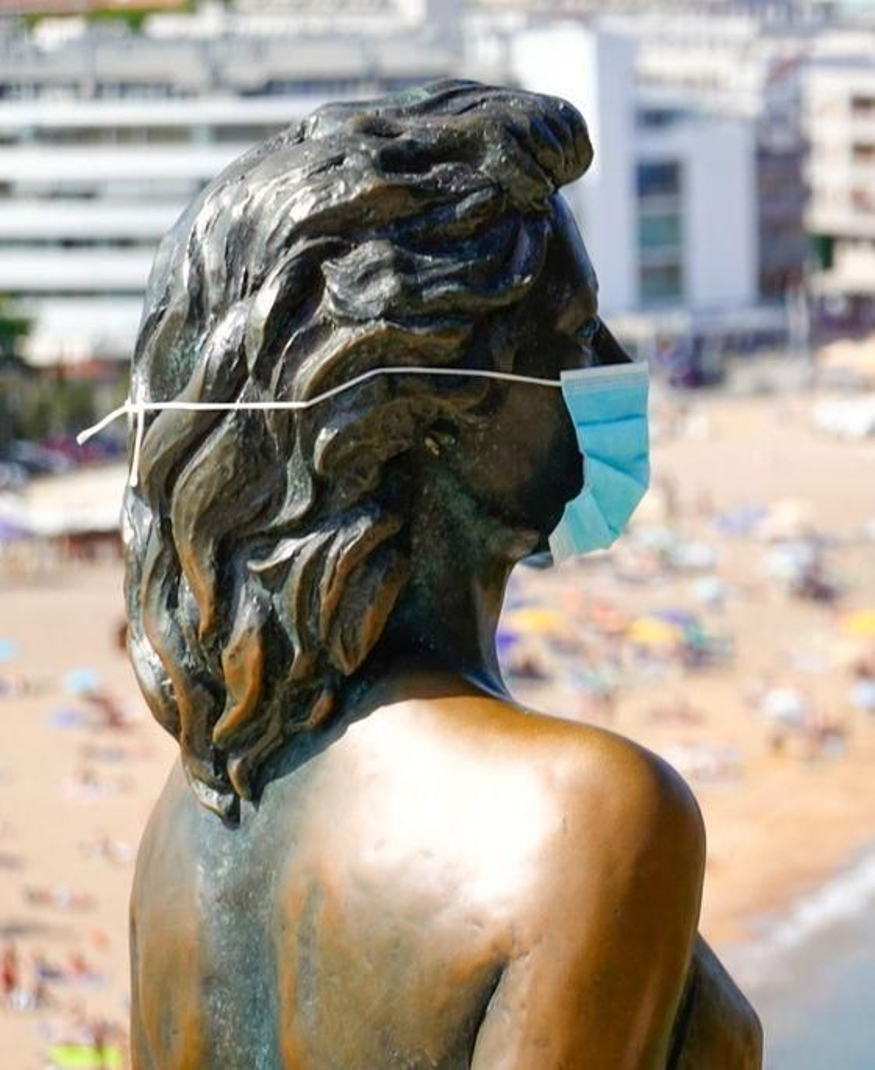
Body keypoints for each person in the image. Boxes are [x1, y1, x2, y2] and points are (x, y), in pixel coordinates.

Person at [106, 82, 757, 1068]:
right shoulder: (582, 813)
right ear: (425, 410)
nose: (616, 365)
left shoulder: (192, 817)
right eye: (573, 335)